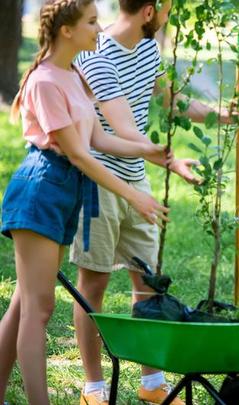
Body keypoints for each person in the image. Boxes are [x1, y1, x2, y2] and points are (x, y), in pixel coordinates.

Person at [0, 1, 169, 403]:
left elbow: (99, 139)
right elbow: (78, 154)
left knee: (25, 302)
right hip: (42, 190)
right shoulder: (44, 81)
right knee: (38, 311)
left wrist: (152, 152)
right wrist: (134, 196)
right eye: (92, 22)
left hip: (64, 193)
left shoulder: (75, 75)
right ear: (67, 31)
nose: (100, 28)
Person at [70, 1, 233, 403]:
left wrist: (221, 114)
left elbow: (168, 99)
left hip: (136, 179)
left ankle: (152, 383)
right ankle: (92, 387)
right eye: (167, 11)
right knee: (94, 282)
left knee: (148, 282)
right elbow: (122, 126)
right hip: (100, 183)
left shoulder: (148, 48)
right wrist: (171, 160)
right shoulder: (96, 51)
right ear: (148, 11)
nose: (169, 18)